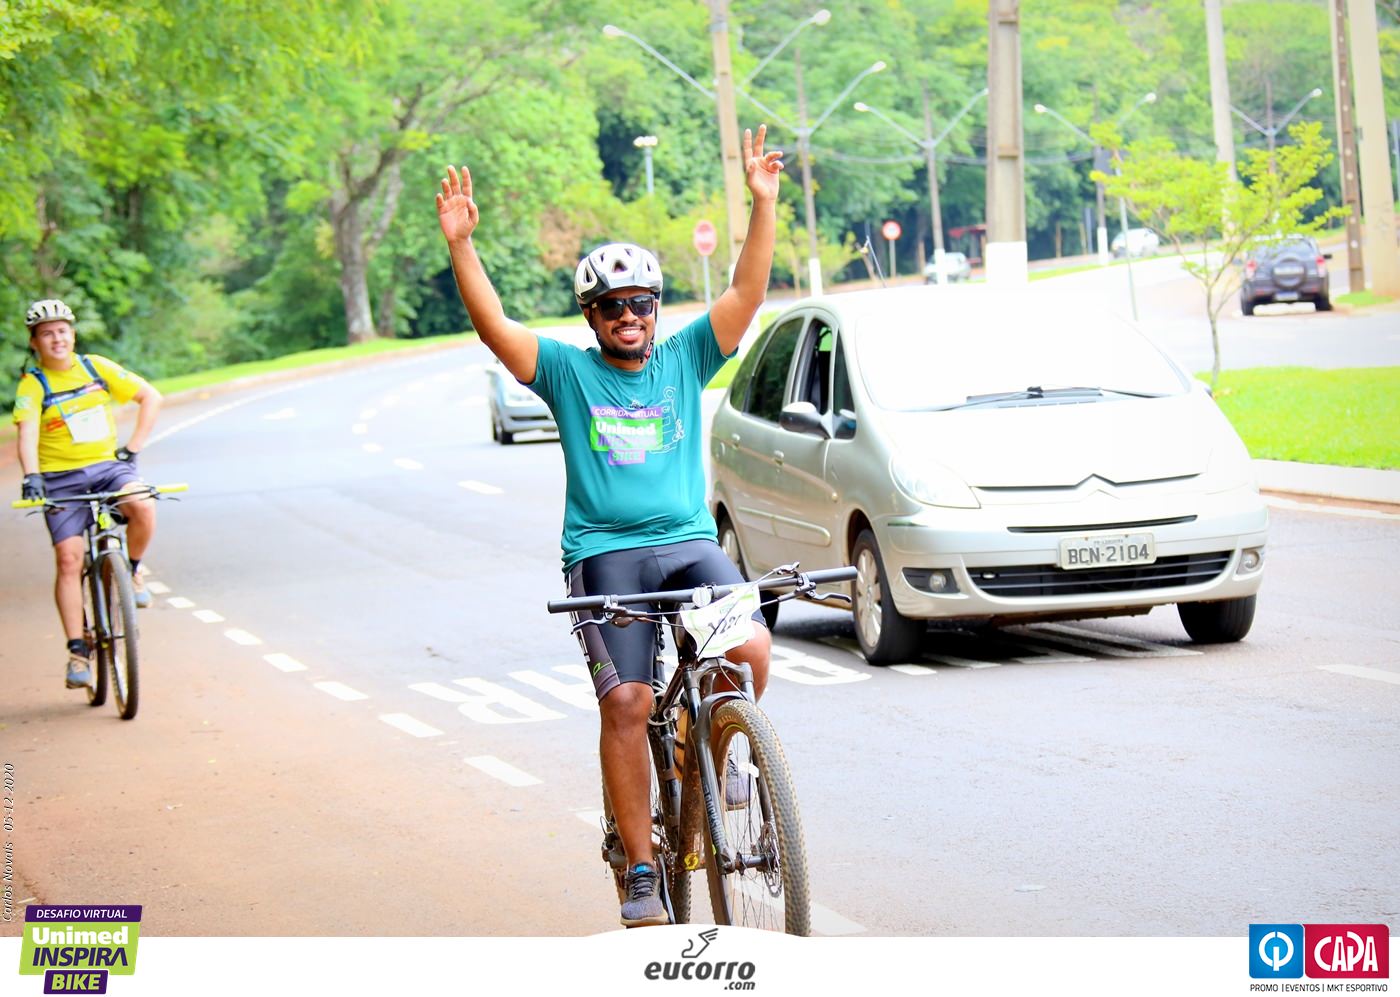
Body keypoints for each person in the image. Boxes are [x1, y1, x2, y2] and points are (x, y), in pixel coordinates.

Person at [436, 126, 784, 927]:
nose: (629, 315)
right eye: (612, 306)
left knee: (752, 649)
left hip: (690, 544)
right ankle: (640, 867)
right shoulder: (567, 371)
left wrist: (762, 203)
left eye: (641, 303)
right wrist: (462, 246)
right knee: (627, 701)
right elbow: (495, 328)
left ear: (656, 309)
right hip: (605, 555)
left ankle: (712, 747)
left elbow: (746, 292)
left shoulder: (686, 357)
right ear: (592, 316)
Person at [13, 299, 163, 690]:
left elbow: (151, 397)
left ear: (73, 335)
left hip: (107, 467)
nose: (57, 339)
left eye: (62, 331)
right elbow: (27, 432)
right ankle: (78, 650)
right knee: (68, 558)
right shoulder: (33, 385)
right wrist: (32, 476)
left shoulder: (96, 367)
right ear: (34, 343)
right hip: (60, 479)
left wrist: (133, 448)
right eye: (47, 334)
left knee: (143, 504)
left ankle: (132, 570)